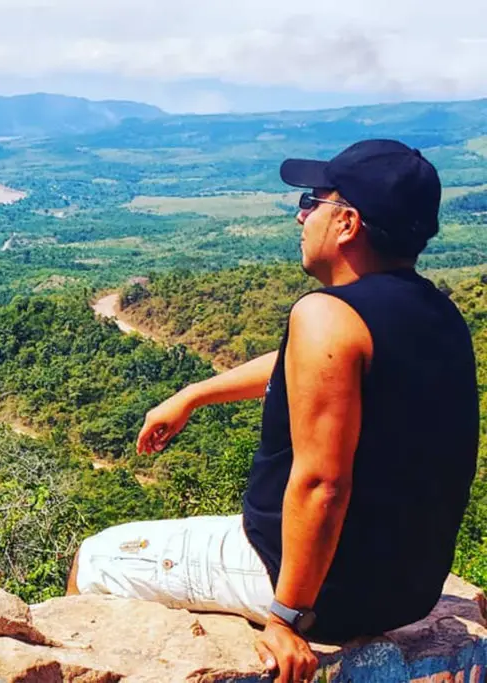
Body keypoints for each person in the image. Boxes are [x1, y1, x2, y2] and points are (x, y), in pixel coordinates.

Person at [67, 140, 479, 683]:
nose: (301, 215)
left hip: (312, 586)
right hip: (410, 590)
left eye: (313, 201)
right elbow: (312, 367)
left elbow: (321, 485)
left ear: (348, 223)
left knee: (96, 557)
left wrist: (287, 618)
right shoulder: (437, 311)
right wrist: (194, 393)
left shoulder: (324, 314)